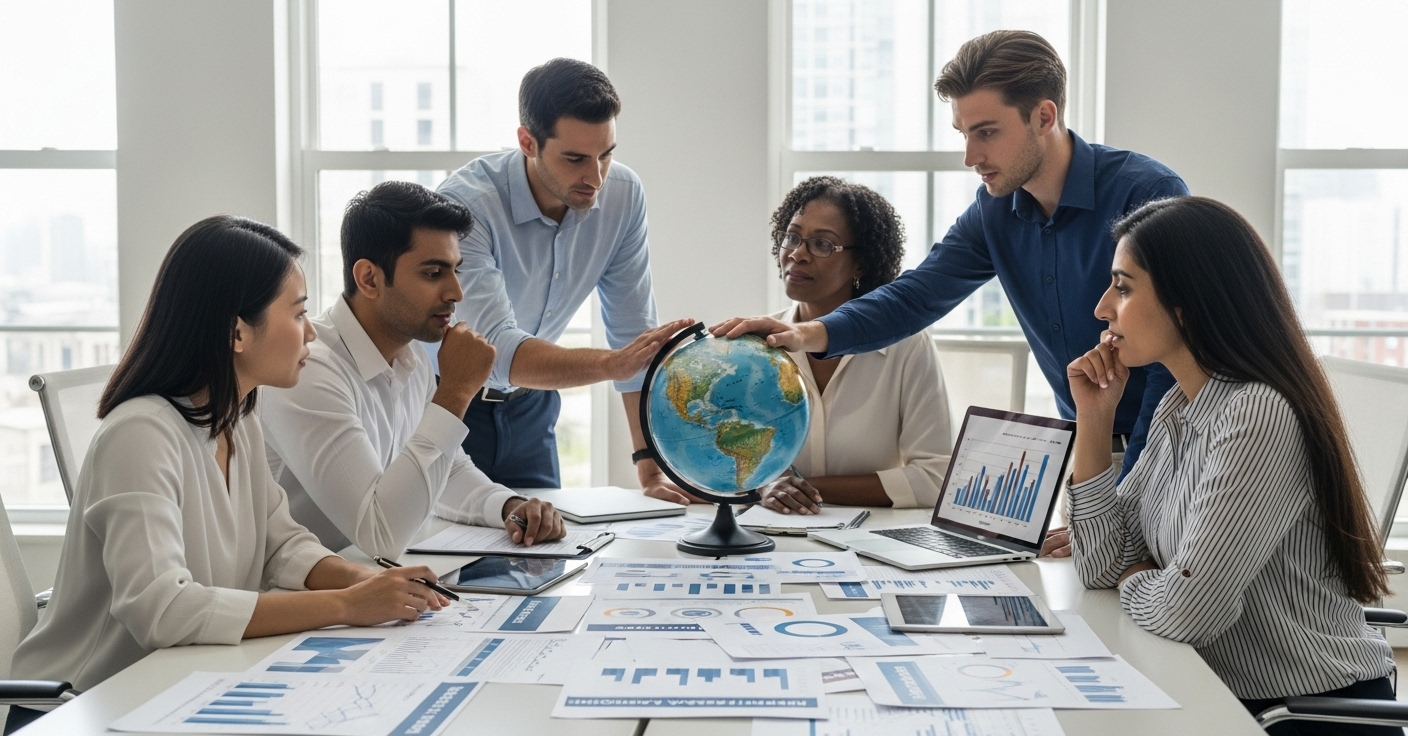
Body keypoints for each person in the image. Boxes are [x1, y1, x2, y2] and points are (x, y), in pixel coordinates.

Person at [5, 217, 450, 736]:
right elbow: (163, 609)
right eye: (299, 312)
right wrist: (347, 605)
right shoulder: (141, 434)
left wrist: (368, 580)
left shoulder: (238, 419)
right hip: (79, 715)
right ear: (237, 331)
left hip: (173, 690)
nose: (310, 332)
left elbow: (280, 545)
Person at [712, 30, 1184, 481]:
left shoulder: (1146, 193)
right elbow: (916, 297)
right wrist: (805, 333)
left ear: (1043, 117)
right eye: (963, 133)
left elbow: (1172, 352)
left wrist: (1130, 481)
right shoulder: (994, 212)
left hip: (1170, 451)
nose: (970, 156)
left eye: (986, 132)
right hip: (1090, 449)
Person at [1063, 196, 1407, 736]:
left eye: (1123, 288)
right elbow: (1101, 563)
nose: (1103, 309)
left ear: (1187, 304)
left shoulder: (1257, 413)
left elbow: (1188, 611)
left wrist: (1139, 575)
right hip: (1219, 698)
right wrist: (1094, 421)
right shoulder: (1180, 405)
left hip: (1304, 726)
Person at [259, 182, 565, 557]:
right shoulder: (310, 369)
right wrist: (456, 391)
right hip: (293, 596)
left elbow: (447, 471)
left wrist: (508, 506)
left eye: (456, 270)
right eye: (433, 273)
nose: (456, 292)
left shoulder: (412, 353)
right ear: (369, 278)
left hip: (360, 584)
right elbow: (380, 534)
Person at [435, 58, 693, 499]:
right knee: (443, 561)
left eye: (606, 155)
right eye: (574, 158)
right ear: (527, 142)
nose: (595, 178)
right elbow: (496, 351)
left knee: (544, 558)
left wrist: (650, 469)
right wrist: (612, 363)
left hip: (533, 409)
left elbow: (632, 331)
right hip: (447, 406)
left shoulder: (623, 196)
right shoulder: (465, 206)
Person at [756, 176, 951, 514]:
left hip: (871, 543)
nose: (798, 254)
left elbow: (936, 478)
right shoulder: (755, 348)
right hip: (770, 537)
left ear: (861, 263)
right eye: (792, 237)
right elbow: (726, 465)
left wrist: (798, 489)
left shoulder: (907, 344)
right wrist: (763, 485)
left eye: (822, 244)